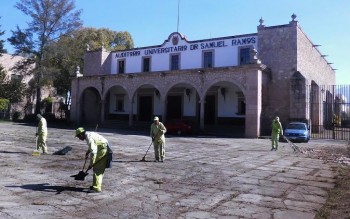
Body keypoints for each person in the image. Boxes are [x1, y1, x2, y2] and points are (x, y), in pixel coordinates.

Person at [75, 127, 109, 193]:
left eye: (78, 137)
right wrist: (88, 151)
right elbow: (93, 145)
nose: (79, 139)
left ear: (81, 135)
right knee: (97, 169)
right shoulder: (89, 134)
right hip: (102, 148)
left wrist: (91, 164)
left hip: (102, 150)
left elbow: (93, 152)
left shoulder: (89, 138)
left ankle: (96, 188)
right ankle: (95, 185)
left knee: (98, 169)